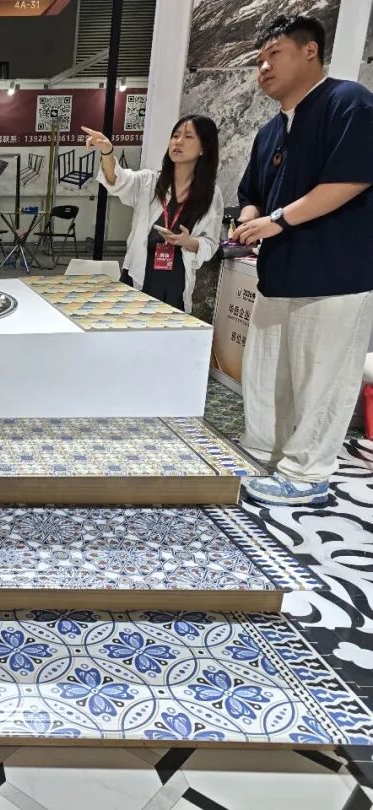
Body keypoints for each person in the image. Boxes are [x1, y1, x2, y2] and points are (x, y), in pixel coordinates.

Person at [232, 14, 373, 506]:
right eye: (259, 61)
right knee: (267, 376)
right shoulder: (271, 131)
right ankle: (264, 453)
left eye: (274, 54)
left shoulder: (348, 103)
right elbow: (251, 193)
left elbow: (350, 179)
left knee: (322, 378)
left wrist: (278, 220)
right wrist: (249, 220)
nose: (264, 68)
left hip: (334, 275)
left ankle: (307, 473)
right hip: (277, 275)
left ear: (310, 50)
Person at [82, 116, 223, 312]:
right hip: (139, 271)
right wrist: (107, 151)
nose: (178, 142)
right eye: (175, 135)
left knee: (167, 328)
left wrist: (187, 241)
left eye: (188, 137)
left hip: (175, 279)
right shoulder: (149, 181)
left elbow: (210, 243)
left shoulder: (211, 194)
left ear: (203, 148)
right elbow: (117, 180)